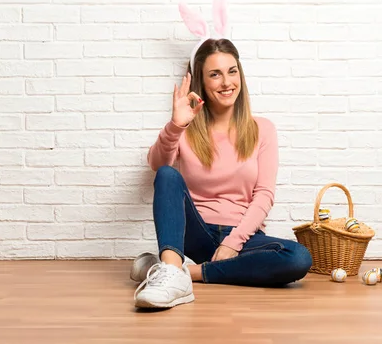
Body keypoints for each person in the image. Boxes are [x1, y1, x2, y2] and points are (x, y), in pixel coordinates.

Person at [131, 37, 313, 309]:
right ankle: (171, 268)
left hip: (243, 236)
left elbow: (264, 195)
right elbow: (157, 164)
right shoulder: (186, 128)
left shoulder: (263, 129)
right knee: (168, 175)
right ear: (201, 82)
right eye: (215, 74)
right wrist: (176, 126)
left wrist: (234, 242)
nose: (227, 82)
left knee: (297, 258)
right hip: (197, 233)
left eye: (232, 71)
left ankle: (182, 273)